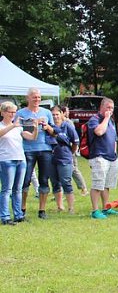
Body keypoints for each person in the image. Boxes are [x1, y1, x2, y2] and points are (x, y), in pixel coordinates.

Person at [16, 87, 55, 219]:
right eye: (34, 97)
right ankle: (22, 208)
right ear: (28, 98)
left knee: (44, 179)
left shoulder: (46, 112)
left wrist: (47, 126)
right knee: (25, 180)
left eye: (38, 97)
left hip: (45, 149)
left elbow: (54, 131)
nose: (37, 99)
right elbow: (18, 131)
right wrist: (33, 124)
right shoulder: (21, 113)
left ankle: (42, 210)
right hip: (27, 150)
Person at [0, 101, 38, 224]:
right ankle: (5, 216)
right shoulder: (3, 126)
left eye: (14, 112)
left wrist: (36, 128)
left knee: (18, 189)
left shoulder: (18, 127)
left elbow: (32, 137)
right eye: (10, 112)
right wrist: (13, 125)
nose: (13, 114)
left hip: (20, 159)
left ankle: (18, 215)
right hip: (6, 160)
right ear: (3, 112)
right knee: (7, 190)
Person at [86, 98, 118, 219]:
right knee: (98, 184)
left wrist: (115, 153)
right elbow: (99, 132)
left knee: (107, 184)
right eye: (108, 107)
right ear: (101, 107)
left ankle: (106, 207)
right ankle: (95, 210)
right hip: (99, 156)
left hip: (111, 157)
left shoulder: (111, 121)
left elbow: (115, 138)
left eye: (112, 108)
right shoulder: (95, 119)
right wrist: (106, 118)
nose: (110, 110)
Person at [47, 105, 78, 214]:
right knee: (55, 182)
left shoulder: (67, 126)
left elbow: (75, 142)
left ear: (62, 114)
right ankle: (60, 206)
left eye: (57, 114)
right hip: (51, 157)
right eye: (53, 115)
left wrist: (70, 152)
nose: (55, 117)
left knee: (66, 182)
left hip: (64, 157)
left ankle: (71, 208)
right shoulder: (48, 126)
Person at [62, 107, 88, 196]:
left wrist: (73, 149)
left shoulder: (68, 122)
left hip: (70, 148)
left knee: (73, 169)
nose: (68, 112)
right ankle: (61, 192)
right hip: (64, 150)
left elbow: (73, 137)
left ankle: (83, 188)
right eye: (67, 111)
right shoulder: (59, 122)